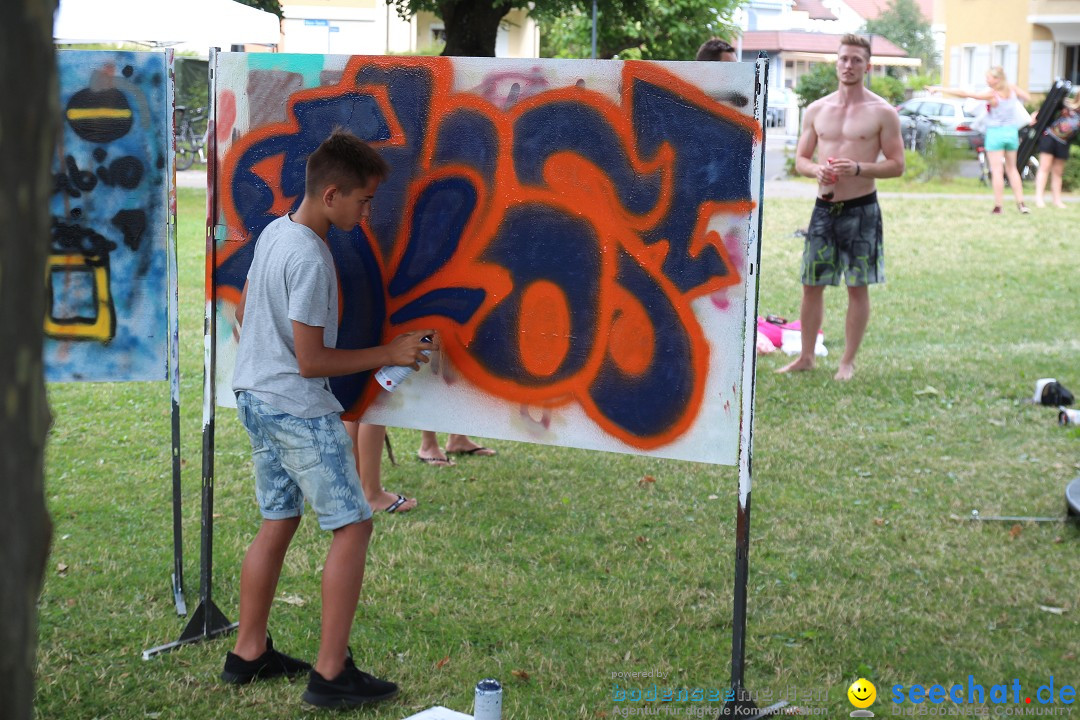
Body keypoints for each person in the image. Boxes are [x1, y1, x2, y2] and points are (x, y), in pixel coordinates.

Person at [225, 129, 437, 708]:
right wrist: (389, 353)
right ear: (332, 195)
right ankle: (330, 673)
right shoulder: (312, 258)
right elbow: (313, 360)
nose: (369, 213)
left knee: (278, 518)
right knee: (354, 525)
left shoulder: (276, 232)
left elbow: (250, 316)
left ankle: (247, 654)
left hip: (256, 397)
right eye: (365, 201)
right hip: (296, 407)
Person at [777, 34, 904, 381]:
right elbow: (801, 160)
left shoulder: (882, 112)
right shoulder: (818, 109)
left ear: (868, 65)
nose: (848, 65)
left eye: (856, 60)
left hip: (862, 208)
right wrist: (816, 170)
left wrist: (860, 169)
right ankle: (806, 356)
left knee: (856, 285)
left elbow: (897, 165)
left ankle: (847, 361)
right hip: (824, 207)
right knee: (810, 284)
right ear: (837, 62)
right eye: (844, 58)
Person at [927, 67, 1033, 214]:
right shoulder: (1012, 89)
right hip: (1011, 133)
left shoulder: (992, 94)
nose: (986, 80)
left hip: (995, 133)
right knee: (1012, 169)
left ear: (997, 79)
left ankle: (998, 206)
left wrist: (939, 89)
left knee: (996, 171)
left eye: (989, 78)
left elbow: (966, 94)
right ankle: (1021, 204)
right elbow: (1027, 97)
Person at [1034, 87, 1080, 209]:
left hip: (1064, 143)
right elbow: (1048, 109)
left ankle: (1057, 200)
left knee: (1058, 172)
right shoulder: (1066, 104)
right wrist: (1036, 115)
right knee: (1044, 168)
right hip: (1050, 137)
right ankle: (1039, 198)